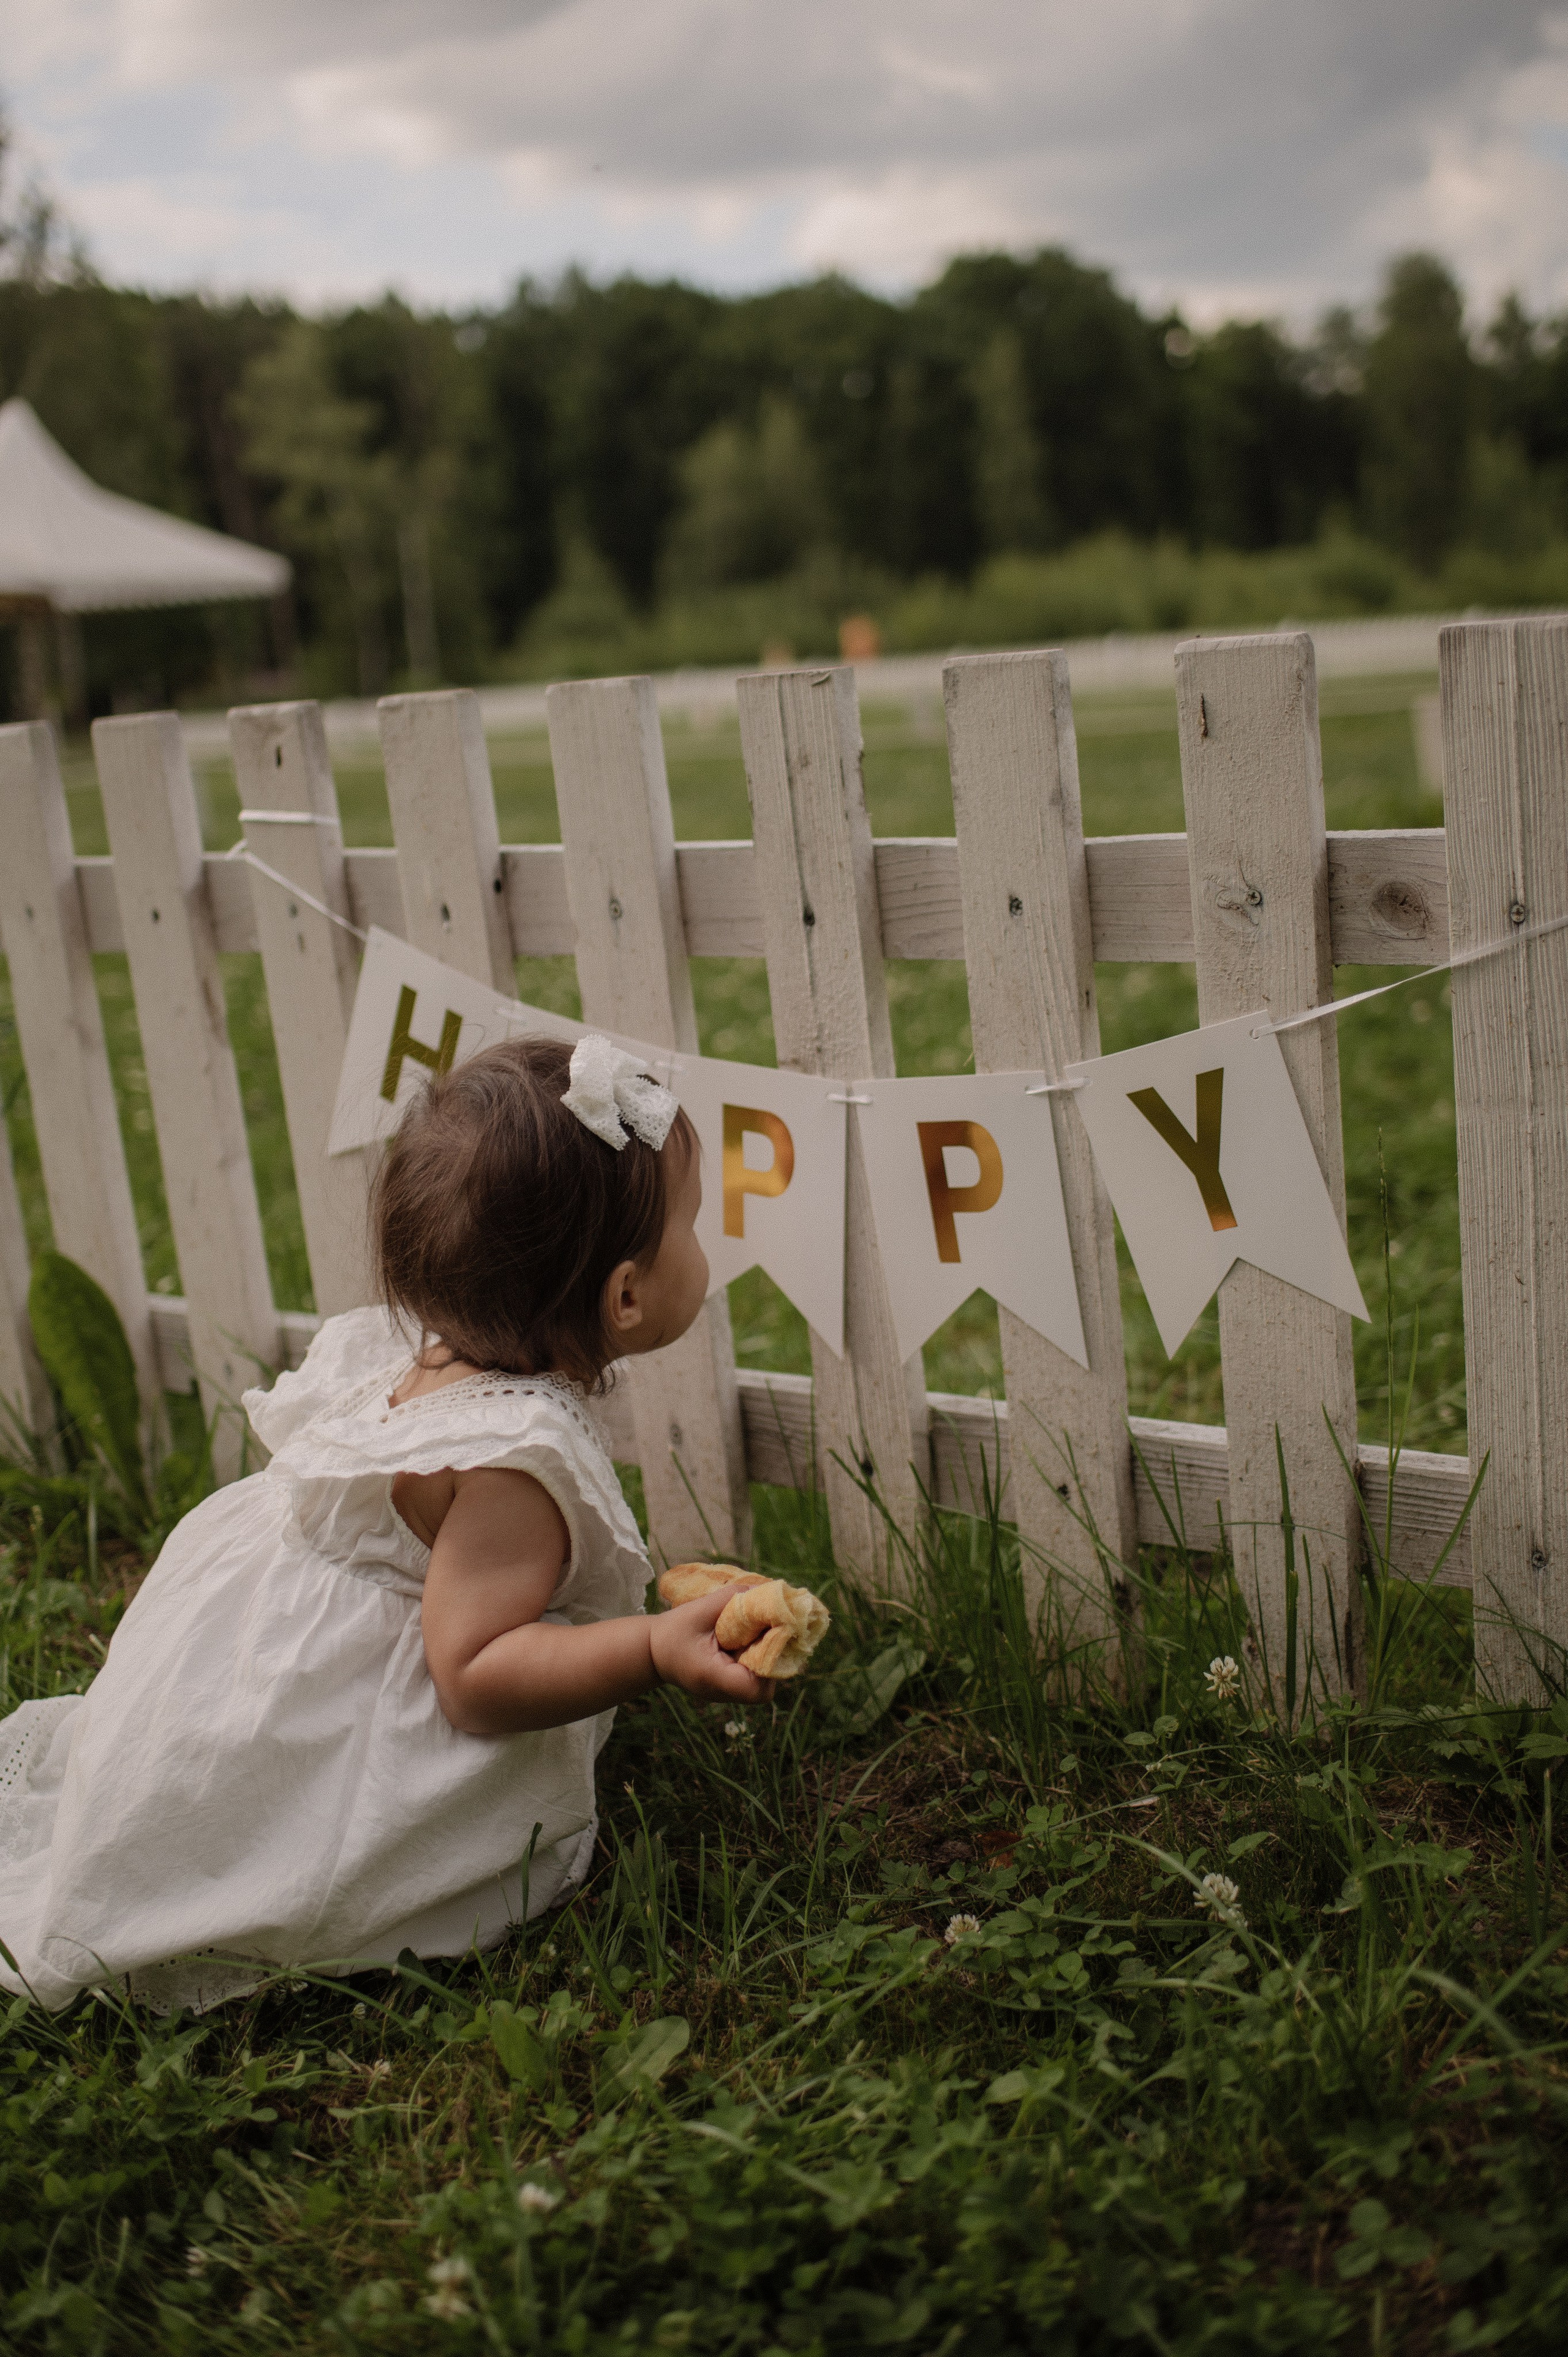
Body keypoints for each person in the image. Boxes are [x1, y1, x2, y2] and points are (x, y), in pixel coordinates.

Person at [0, 1034, 764, 2012]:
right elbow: (475, 1676)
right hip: (317, 1715)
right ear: (624, 1295)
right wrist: (654, 1646)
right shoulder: (512, 1469)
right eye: (691, 1225)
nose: (704, 1248)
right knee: (303, 1858)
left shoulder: (451, 1356)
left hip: (241, 1651)